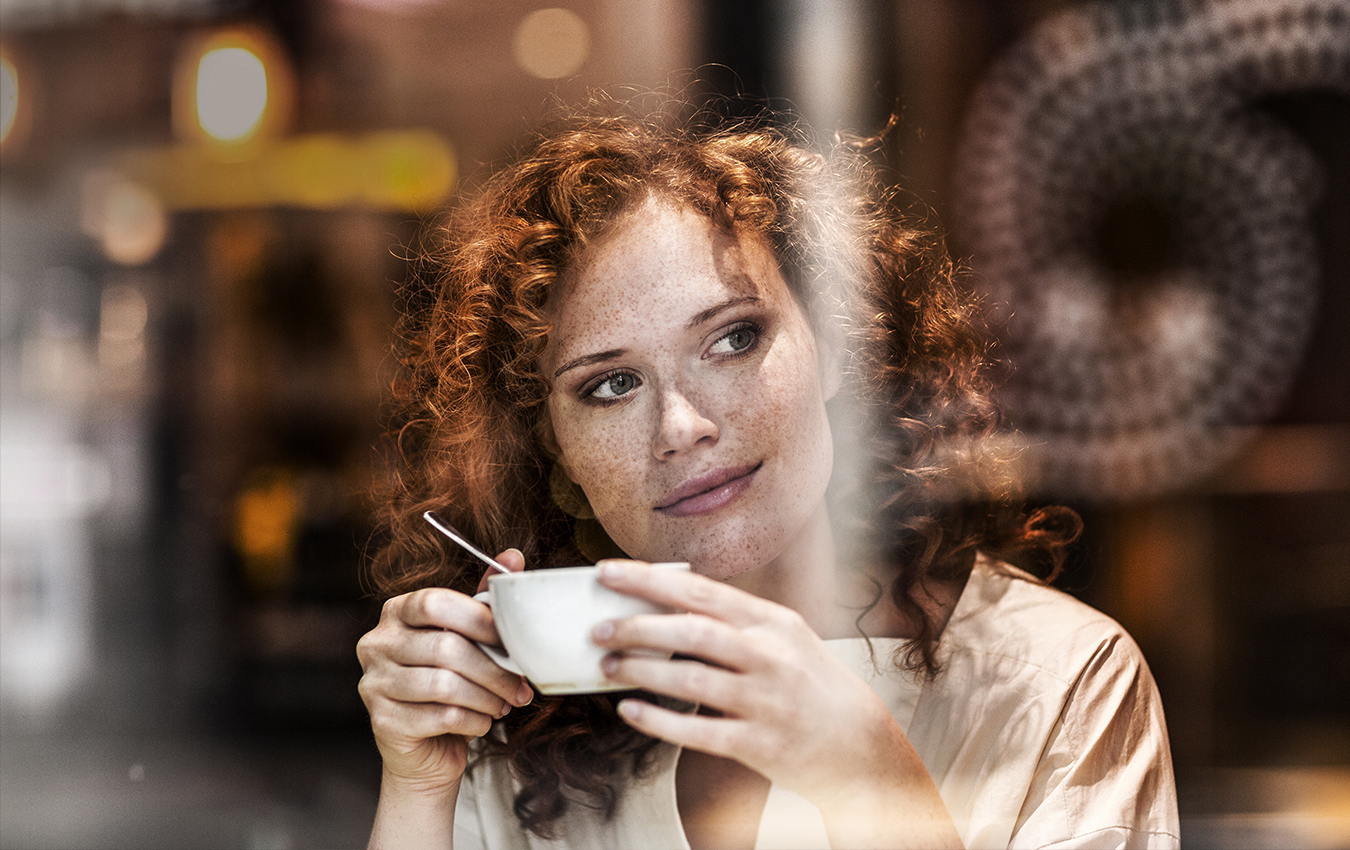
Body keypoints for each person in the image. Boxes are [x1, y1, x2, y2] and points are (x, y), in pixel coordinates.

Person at [356, 100, 1180, 850]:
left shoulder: (1061, 679)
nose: (682, 427)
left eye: (733, 339)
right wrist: (419, 783)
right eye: (611, 385)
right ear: (557, 458)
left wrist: (873, 783)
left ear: (832, 349)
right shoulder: (525, 720)